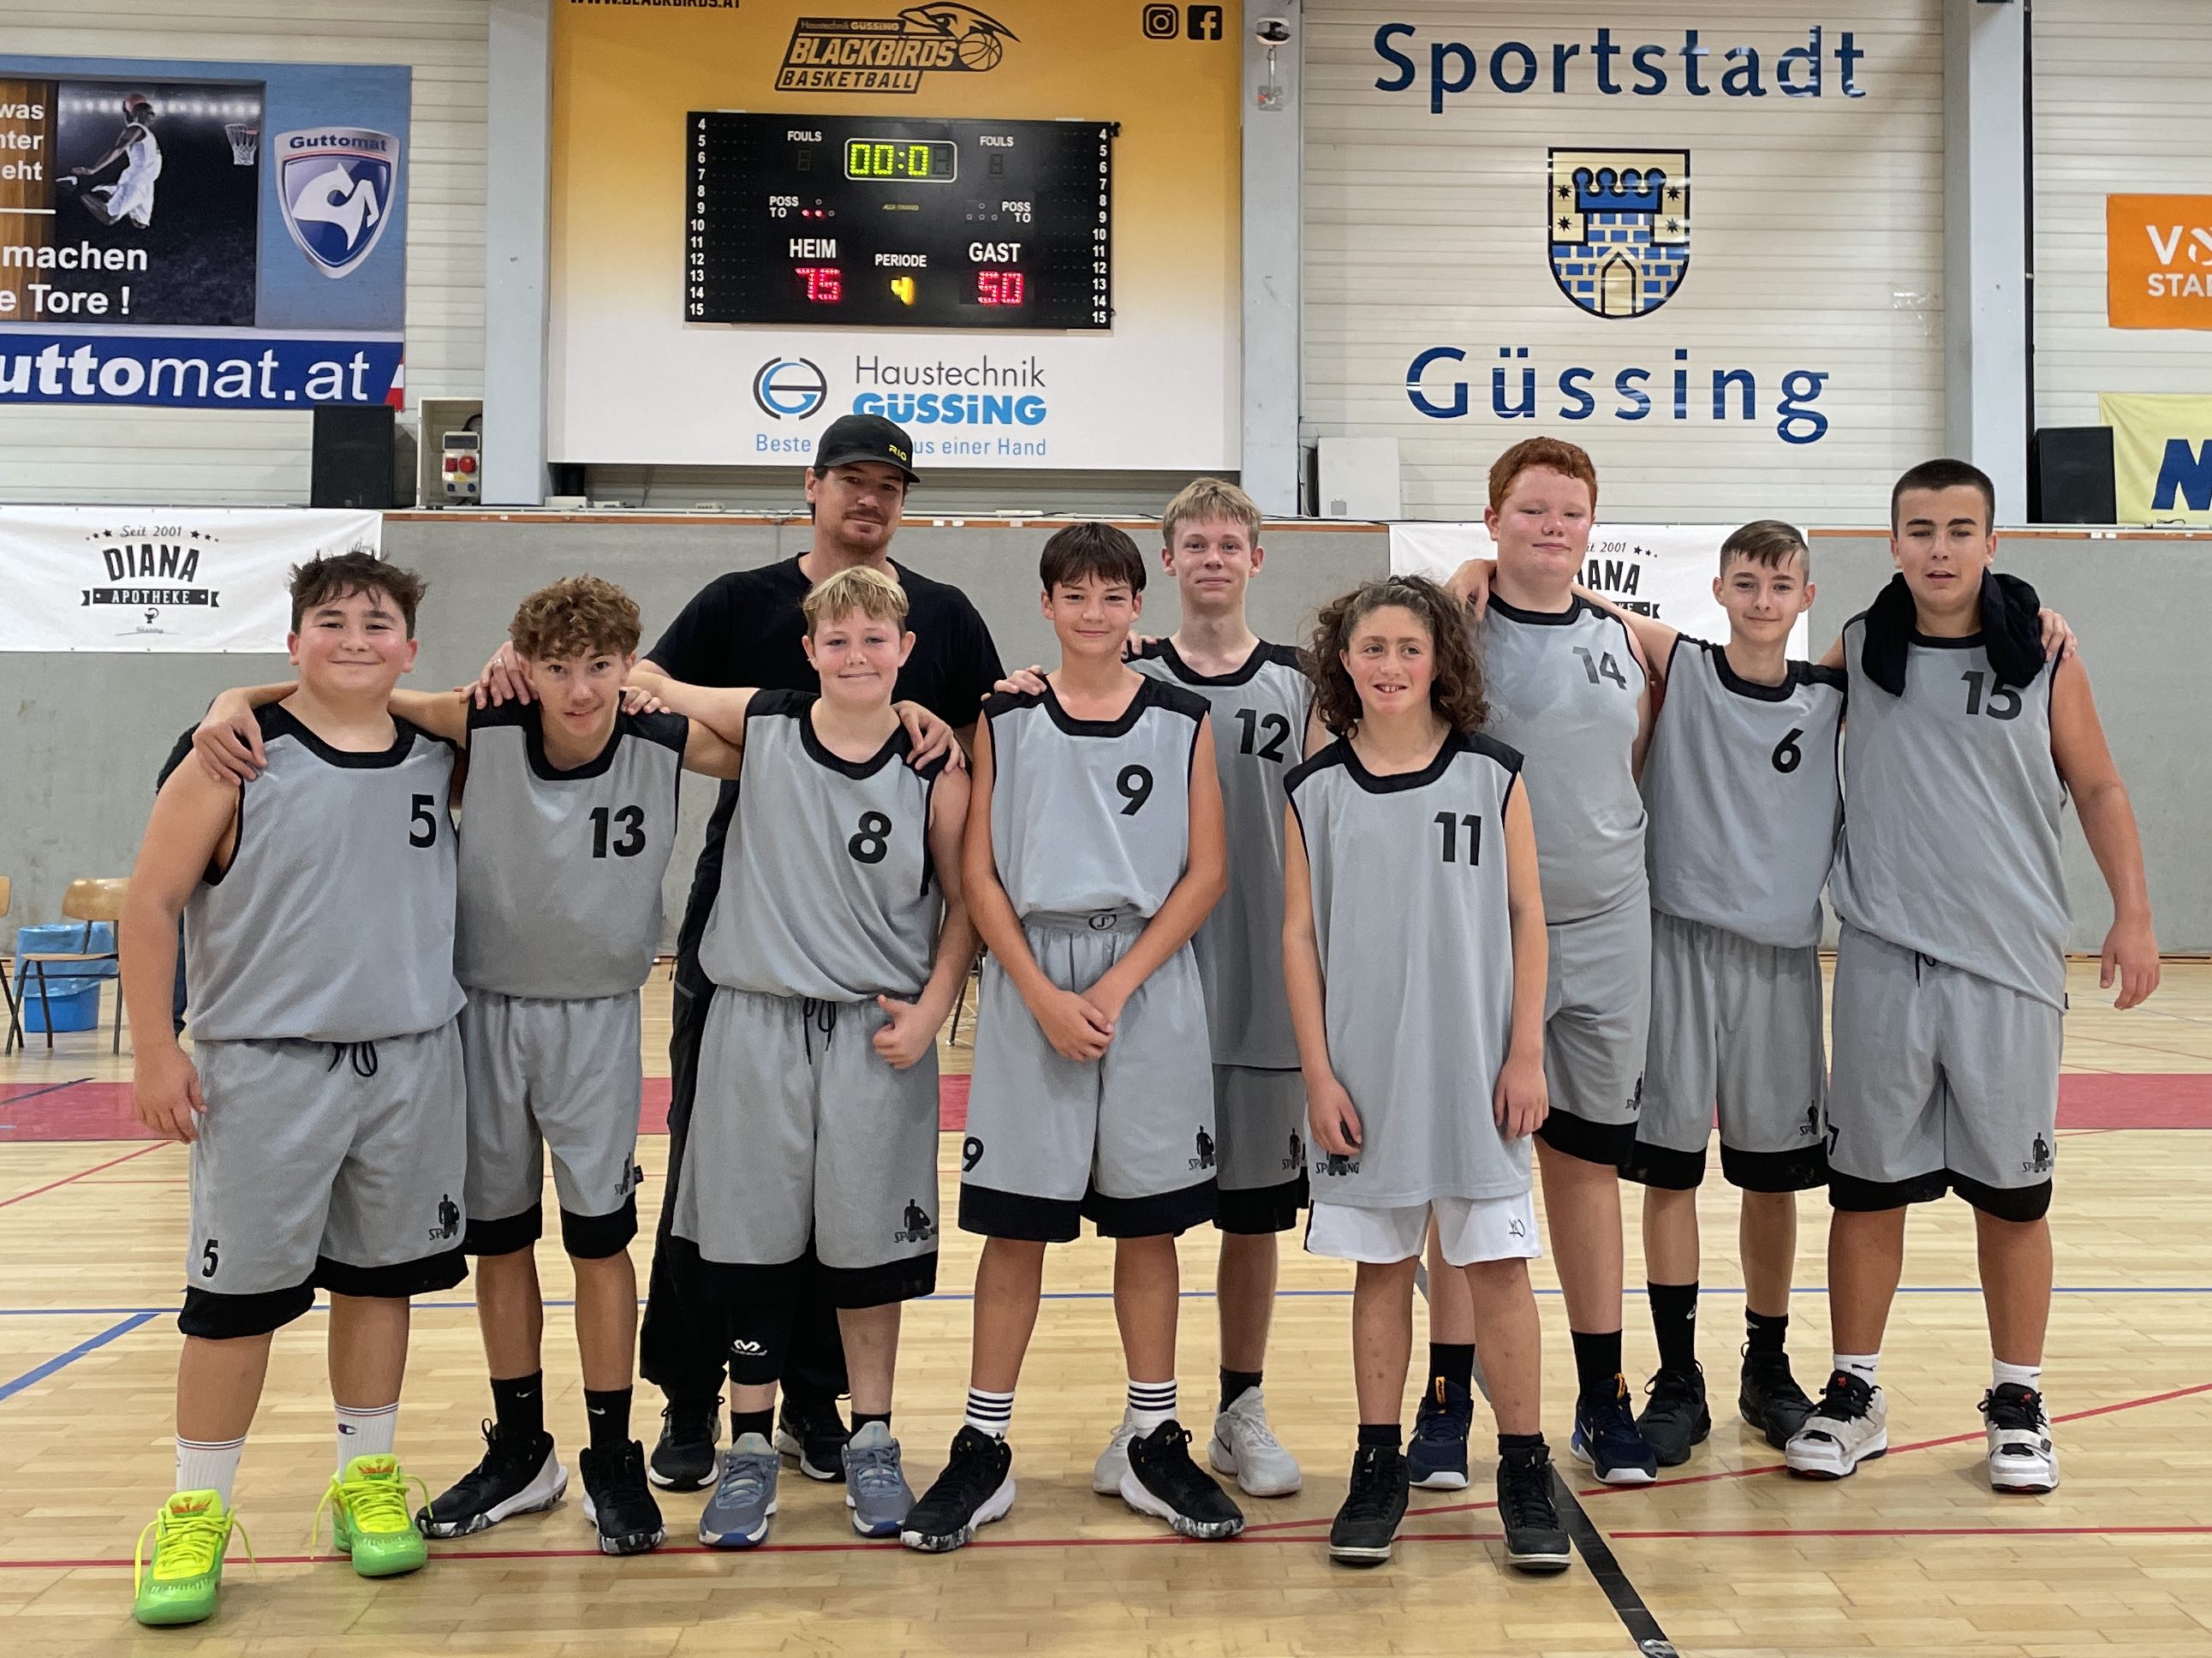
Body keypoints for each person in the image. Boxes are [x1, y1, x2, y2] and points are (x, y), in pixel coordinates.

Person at [477, 414, 1001, 1494]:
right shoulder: (736, 602)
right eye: (852, 480)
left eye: (890, 484)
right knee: (716, 1179)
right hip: (753, 917)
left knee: (849, 1191)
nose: (870, 498)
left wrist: (960, 719)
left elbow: (986, 745)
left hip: (872, 938)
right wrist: (518, 664)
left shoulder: (943, 615)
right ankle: (690, 1394)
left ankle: (816, 1402)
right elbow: (630, 687)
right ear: (812, 487)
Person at [1786, 458, 2160, 1492]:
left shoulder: (2042, 652)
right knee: (1867, 1192)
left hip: (2009, 962)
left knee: (2014, 1197)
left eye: (1960, 530)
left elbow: (2099, 786)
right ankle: (1855, 1391)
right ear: (1892, 543)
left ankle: (2019, 1398)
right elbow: (1756, 683)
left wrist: (2133, 913)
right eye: (1921, 530)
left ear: (1994, 543)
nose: (1940, 548)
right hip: (1884, 956)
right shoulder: (1863, 646)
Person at [120, 553, 462, 1627]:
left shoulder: (441, 756)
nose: (355, 638)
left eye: (377, 623)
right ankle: (196, 1509)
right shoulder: (231, 754)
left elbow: (502, 710)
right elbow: (149, 902)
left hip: (408, 1061)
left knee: (379, 1283)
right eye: (332, 620)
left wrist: (248, 686)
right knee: (235, 1305)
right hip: (264, 1066)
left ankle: (367, 1480)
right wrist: (154, 1049)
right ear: (293, 641)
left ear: (409, 648)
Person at [901, 522, 1239, 1552]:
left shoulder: (1181, 717)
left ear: (1139, 604)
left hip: (1149, 977)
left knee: (1150, 1225)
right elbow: (978, 874)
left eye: (1112, 595)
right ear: (1046, 605)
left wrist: (1122, 983)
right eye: (1075, 595)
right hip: (1032, 977)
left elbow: (1207, 872)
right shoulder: (1003, 717)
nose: (1094, 612)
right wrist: (1044, 992)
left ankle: (1150, 1436)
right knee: (1016, 1226)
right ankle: (983, 1442)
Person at [624, 566, 977, 1548]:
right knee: (751, 1246)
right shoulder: (765, 729)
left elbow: (966, 903)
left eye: (876, 639)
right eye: (838, 640)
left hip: (876, 1029)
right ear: (809, 650)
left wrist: (935, 1009)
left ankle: (873, 1437)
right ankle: (748, 1443)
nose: (857, 655)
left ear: (906, 650)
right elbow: (645, 685)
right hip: (757, 1022)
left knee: (870, 1250)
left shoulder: (935, 768)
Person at [998, 478, 1312, 1500]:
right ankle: (1147, 1420)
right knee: (1148, 1217)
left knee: (1253, 1217)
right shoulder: (1121, 673)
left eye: (1231, 542)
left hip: (1259, 984)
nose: (1214, 558)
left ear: (1257, 557)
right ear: (1166, 563)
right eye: (1196, 543)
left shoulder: (1303, 685)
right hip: (1140, 989)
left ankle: (1239, 1408)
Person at [1283, 576, 1571, 1574]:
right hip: (1365, 1075)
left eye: (1411, 647)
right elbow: (1298, 935)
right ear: (1343, 661)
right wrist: (1318, 1073)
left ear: (1441, 657)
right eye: (1373, 648)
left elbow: (1529, 916)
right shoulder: (1315, 788)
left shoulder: (1493, 773)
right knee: (1381, 1269)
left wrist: (1525, 1051)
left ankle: (1524, 1467)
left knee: (1498, 1267)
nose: (1392, 665)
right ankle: (1377, 1465)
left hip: (1477, 1069)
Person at [1433, 437, 1659, 1487]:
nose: (1552, 527)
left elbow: (1635, 754)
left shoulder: (1624, 637)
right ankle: (1446, 1399)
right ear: (1492, 521)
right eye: (1531, 510)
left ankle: (1603, 1398)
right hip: (1484, 928)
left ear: (1592, 525)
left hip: (1609, 927)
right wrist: (1462, 580)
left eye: (1571, 511)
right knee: (1470, 1171)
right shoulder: (1454, 630)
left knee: (1588, 1167)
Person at [60, 92, 163, 229]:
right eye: (149, 112)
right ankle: (76, 187)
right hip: (136, 180)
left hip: (147, 182)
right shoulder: (135, 129)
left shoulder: (145, 132)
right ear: (140, 114)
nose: (153, 115)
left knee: (140, 223)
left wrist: (126, 111)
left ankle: (113, 191)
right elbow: (117, 149)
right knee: (109, 217)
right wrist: (93, 170)